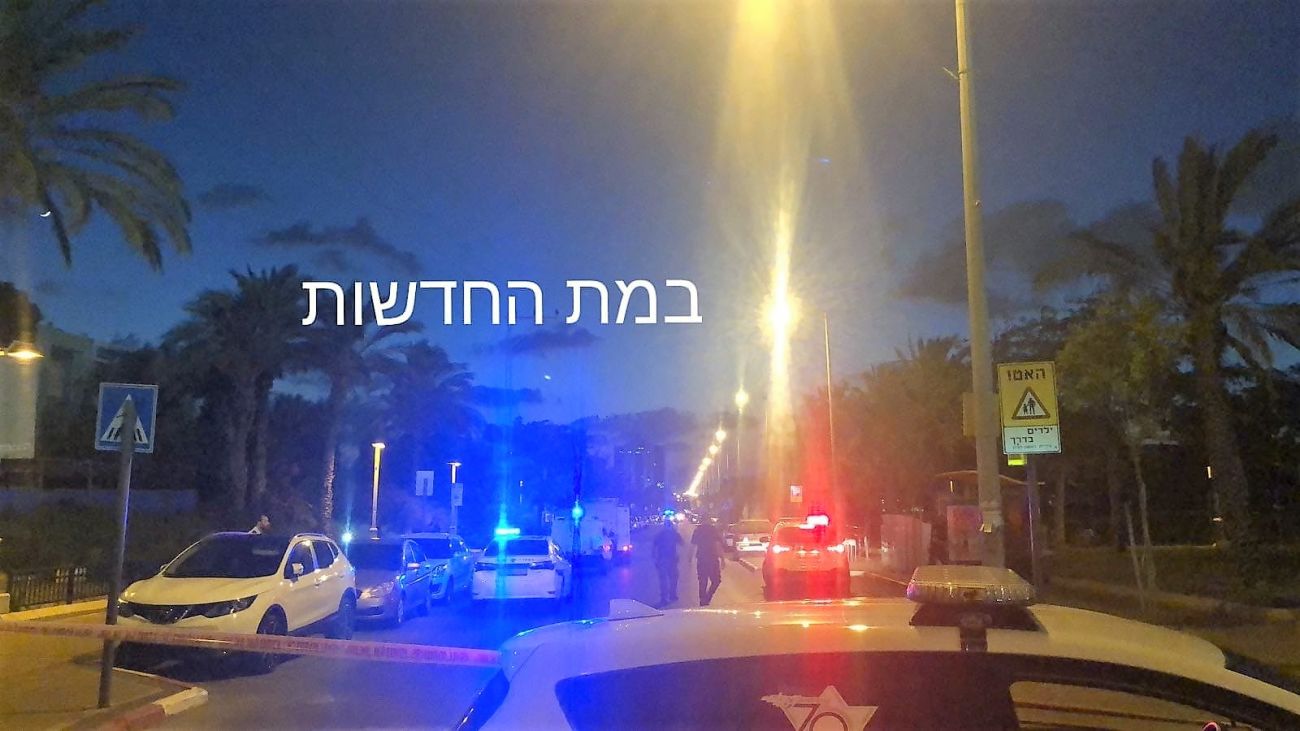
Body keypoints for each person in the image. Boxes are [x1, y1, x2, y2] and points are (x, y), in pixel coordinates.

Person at [689, 515, 725, 606]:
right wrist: (722, 559)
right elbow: (718, 545)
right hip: (712, 558)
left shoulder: (698, 530)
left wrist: (689, 557)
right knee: (716, 581)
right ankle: (707, 598)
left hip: (701, 559)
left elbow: (692, 545)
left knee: (702, 581)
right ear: (708, 520)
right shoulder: (713, 530)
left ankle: (703, 602)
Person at [651, 520, 682, 605]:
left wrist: (655, 558)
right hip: (672, 559)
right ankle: (672, 594)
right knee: (673, 577)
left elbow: (654, 547)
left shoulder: (659, 535)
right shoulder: (674, 534)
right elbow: (682, 543)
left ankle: (664, 598)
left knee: (663, 579)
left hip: (662, 559)